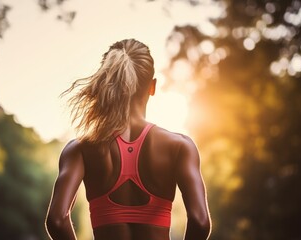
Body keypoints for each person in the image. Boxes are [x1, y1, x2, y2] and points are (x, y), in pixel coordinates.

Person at [45, 39, 211, 240]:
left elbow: (57, 219)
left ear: (107, 83)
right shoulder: (179, 147)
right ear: (152, 86)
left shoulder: (80, 149)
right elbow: (200, 222)